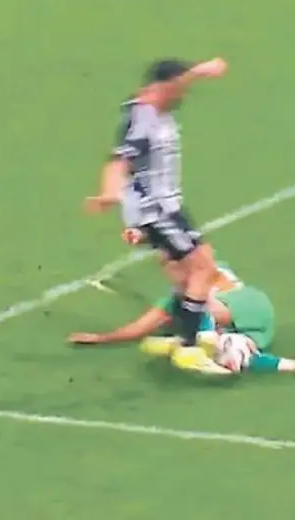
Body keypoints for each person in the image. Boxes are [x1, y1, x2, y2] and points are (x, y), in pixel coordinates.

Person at [84, 57, 227, 373]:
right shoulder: (144, 120)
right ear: (165, 88)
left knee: (190, 272)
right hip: (156, 210)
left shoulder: (151, 105)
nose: (184, 95)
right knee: (202, 267)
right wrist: (109, 192)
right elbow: (118, 161)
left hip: (168, 206)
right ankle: (188, 347)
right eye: (180, 89)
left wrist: (200, 71)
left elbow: (171, 82)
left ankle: (178, 336)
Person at [69, 259, 295, 377]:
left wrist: (101, 338)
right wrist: (101, 338)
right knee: (234, 355)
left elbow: (142, 327)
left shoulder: (186, 289)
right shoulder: (200, 269)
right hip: (254, 325)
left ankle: (197, 343)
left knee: (192, 305)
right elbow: (142, 326)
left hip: (239, 305)